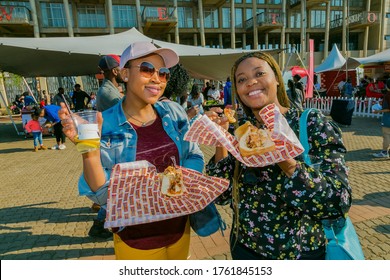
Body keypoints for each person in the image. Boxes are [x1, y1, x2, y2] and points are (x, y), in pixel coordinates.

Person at [58, 41, 204, 260]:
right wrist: (88, 148)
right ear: (124, 74)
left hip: (179, 229)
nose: (157, 78)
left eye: (163, 73)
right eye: (147, 69)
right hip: (136, 240)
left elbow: (194, 154)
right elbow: (101, 193)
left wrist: (182, 181)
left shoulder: (173, 112)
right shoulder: (103, 124)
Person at [205, 51, 352, 260]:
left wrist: (284, 158)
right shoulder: (244, 133)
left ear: (276, 79)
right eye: (242, 79)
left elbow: (337, 202)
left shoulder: (310, 124)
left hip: (299, 255)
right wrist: (220, 139)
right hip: (244, 250)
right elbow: (221, 195)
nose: (251, 82)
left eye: (259, 73)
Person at [88, 54, 125, 239]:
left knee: (116, 189)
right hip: (114, 145)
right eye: (121, 68)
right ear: (114, 70)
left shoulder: (111, 89)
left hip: (115, 142)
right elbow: (126, 111)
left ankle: (101, 223)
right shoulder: (107, 93)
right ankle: (98, 225)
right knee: (115, 189)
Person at [372, 78, 390, 158]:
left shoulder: (388, 95)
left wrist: (378, 111)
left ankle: (384, 152)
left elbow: (388, 109)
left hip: (388, 118)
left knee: (386, 135)